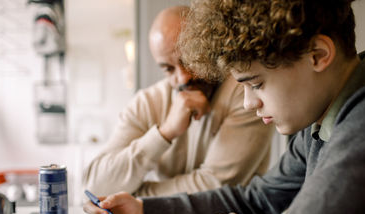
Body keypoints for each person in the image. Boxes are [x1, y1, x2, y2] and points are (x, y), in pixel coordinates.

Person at [84, 0, 365, 214]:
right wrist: (144, 210)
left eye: (257, 84)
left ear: (317, 54)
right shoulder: (323, 120)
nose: (250, 103)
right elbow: (257, 198)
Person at [82, 6, 274, 197]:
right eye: (168, 69)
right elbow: (95, 185)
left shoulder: (246, 90)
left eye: (189, 61)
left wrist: (133, 197)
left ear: (208, 47)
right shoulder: (147, 102)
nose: (182, 78)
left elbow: (216, 186)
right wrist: (164, 133)